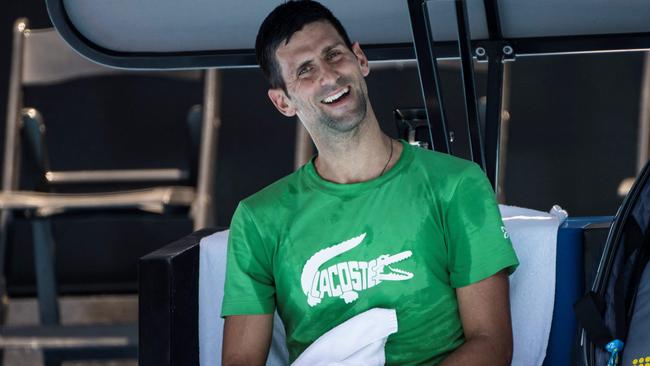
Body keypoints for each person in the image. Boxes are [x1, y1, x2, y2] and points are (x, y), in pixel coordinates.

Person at [221, 1, 519, 365]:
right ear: (283, 102)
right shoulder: (257, 219)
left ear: (360, 59)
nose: (329, 76)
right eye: (305, 70)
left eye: (334, 55)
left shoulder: (457, 184)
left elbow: (492, 344)